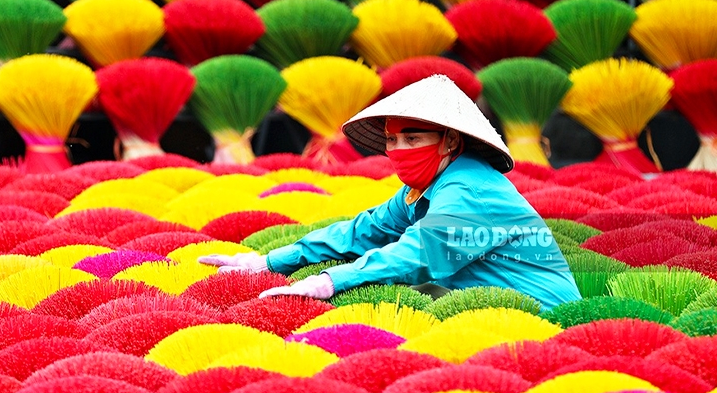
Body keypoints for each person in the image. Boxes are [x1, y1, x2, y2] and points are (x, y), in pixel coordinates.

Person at [200, 75, 581, 310]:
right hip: (490, 313)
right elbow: (363, 231)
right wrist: (268, 263)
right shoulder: (425, 186)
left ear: (450, 140)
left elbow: (419, 252)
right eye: (392, 140)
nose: (398, 150)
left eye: (412, 138)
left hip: (543, 321)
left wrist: (332, 280)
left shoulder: (470, 190)